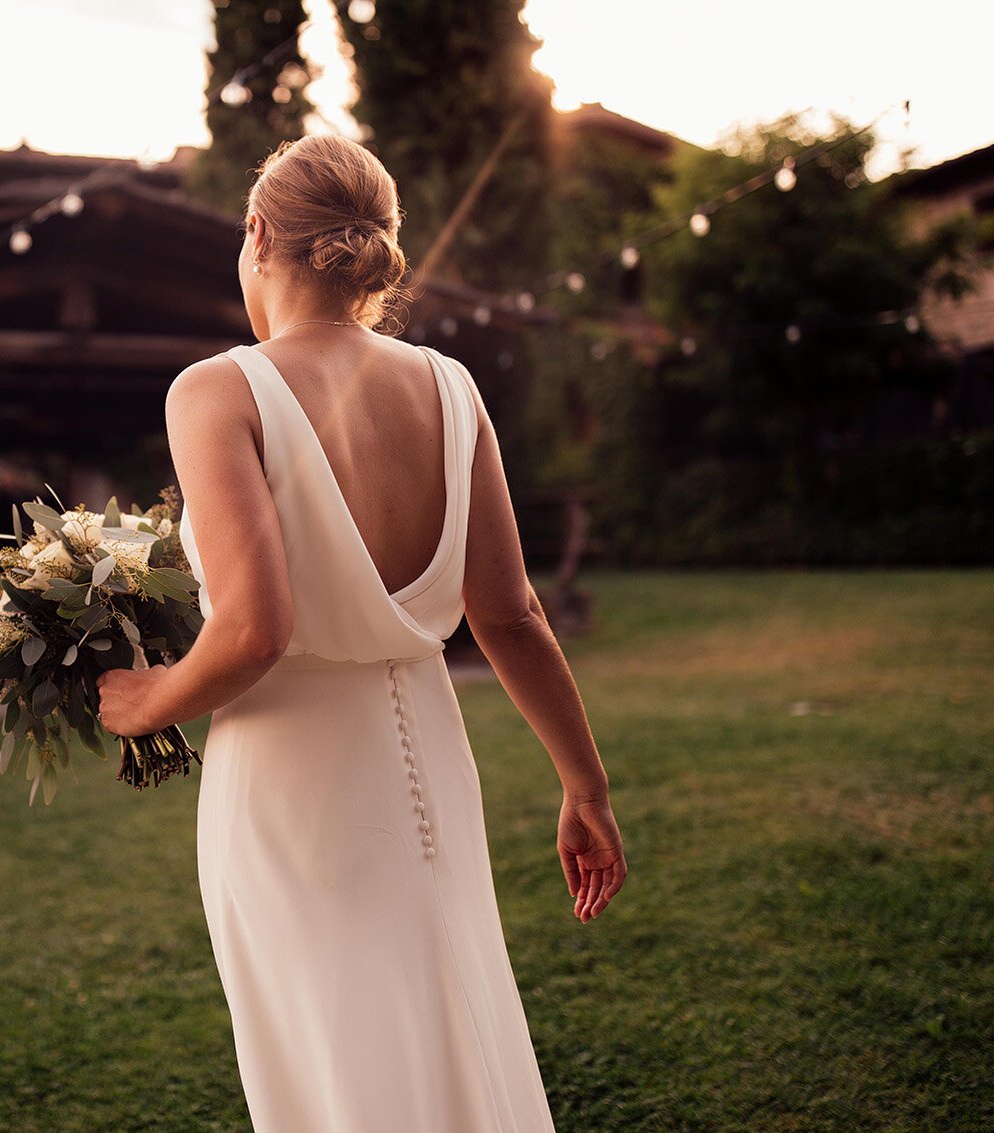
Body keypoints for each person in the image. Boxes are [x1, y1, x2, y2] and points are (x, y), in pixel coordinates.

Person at [96, 133, 626, 1132]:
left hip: (289, 787)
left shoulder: (216, 389)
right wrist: (582, 784)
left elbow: (254, 627)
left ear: (256, 233)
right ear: (375, 245)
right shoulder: (452, 388)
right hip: (428, 755)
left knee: (327, 1059)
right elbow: (509, 613)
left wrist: (146, 699)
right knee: (440, 1022)